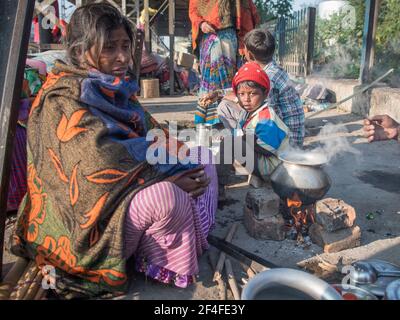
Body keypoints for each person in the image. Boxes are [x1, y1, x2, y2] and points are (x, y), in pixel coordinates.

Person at [11, 3, 217, 298]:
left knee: (203, 159)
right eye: (109, 48)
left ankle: (188, 234)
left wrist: (183, 161)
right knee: (167, 198)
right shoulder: (61, 98)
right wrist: (165, 179)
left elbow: (151, 132)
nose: (123, 57)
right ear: (81, 51)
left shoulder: (113, 87)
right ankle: (157, 264)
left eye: (125, 45)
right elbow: (96, 169)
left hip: (127, 193)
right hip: (88, 229)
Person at [218, 29, 305, 146]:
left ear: (248, 54)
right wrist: (220, 93)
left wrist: (235, 99)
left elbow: (264, 109)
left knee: (227, 107)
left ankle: (242, 142)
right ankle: (242, 140)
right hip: (288, 134)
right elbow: (247, 89)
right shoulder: (271, 69)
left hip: (287, 144)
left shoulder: (268, 77)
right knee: (228, 105)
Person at [217, 62, 290, 187]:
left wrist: (241, 140)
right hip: (263, 160)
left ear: (265, 94)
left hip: (272, 167)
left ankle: (219, 184)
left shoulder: (267, 117)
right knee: (229, 142)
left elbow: (268, 149)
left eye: (252, 93)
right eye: (241, 94)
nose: (246, 99)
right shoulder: (247, 113)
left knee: (230, 144)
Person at [189, 0, 260, 125]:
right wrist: (201, 24)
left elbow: (245, 8)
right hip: (208, 37)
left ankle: (228, 117)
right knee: (208, 79)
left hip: (229, 36)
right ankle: (207, 119)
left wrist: (244, 39)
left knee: (230, 77)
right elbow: (193, 9)